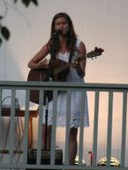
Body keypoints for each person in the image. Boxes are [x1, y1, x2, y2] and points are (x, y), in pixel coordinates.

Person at [27, 12, 89, 165]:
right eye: (58, 24)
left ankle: (69, 166)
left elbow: (82, 73)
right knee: (46, 129)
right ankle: (47, 165)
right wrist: (42, 65)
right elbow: (31, 63)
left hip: (74, 90)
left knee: (72, 133)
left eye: (64, 23)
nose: (61, 26)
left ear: (69, 25)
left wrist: (77, 67)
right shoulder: (51, 44)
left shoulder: (79, 45)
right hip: (55, 92)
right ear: (54, 27)